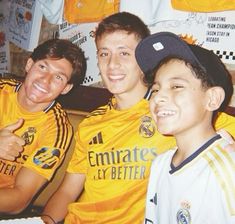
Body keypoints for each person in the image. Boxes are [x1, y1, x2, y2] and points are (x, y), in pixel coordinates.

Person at [42, 12, 235, 224]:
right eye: (104, 54)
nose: (112, 64)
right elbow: (67, 191)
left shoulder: (174, 114)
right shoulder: (91, 124)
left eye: (124, 53)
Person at [135, 31, 235, 223]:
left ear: (212, 99)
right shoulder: (160, 164)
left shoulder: (228, 169)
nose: (158, 97)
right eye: (155, 89)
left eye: (176, 86)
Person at [0, 38, 86, 214]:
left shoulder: (57, 129)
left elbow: (20, 200)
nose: (45, 81)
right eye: (42, 67)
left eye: (58, 77)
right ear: (29, 64)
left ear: (66, 88)